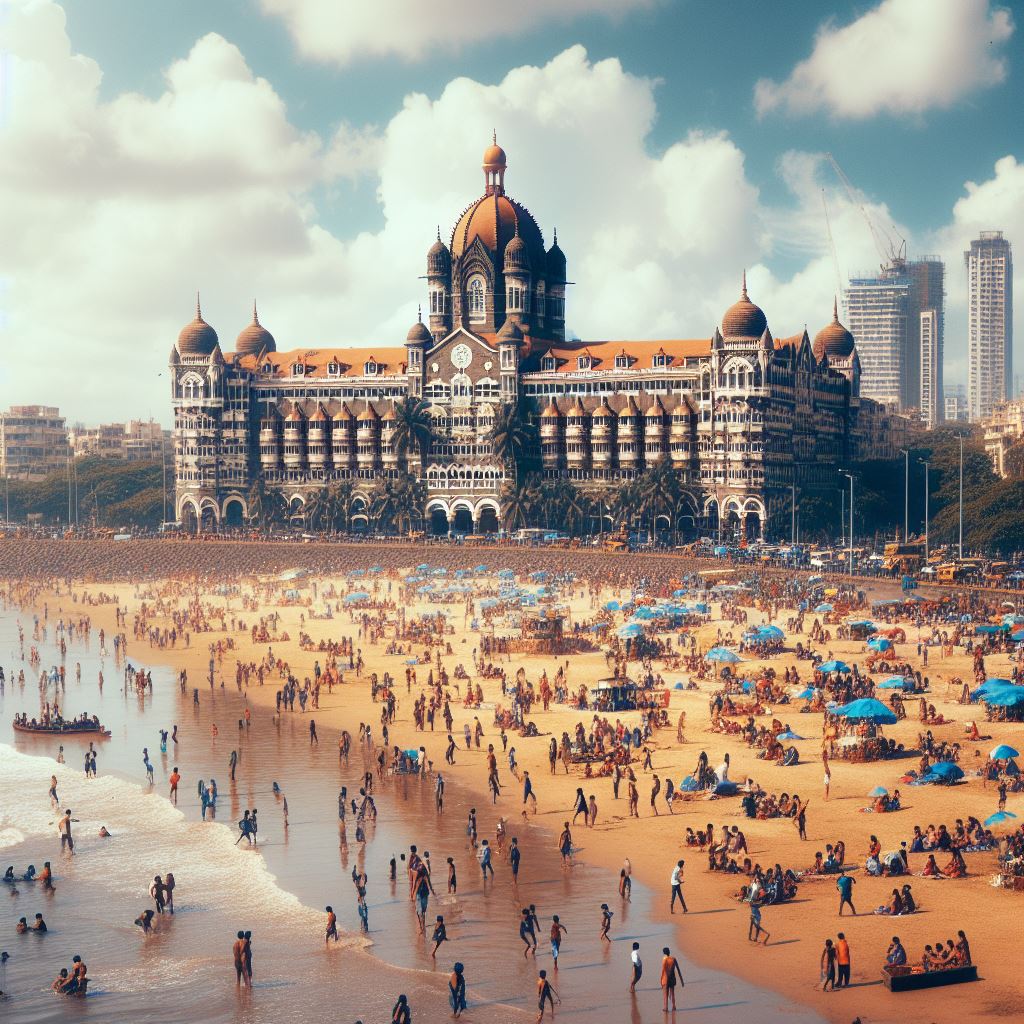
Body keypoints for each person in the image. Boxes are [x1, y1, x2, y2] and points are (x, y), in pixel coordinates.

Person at [660, 947, 684, 1012]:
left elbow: (663, 971)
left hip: (666, 978)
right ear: (669, 952)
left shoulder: (664, 960)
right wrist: (681, 980)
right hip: (672, 978)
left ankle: (666, 1007)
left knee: (665, 994)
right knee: (672, 993)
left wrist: (661, 980)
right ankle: (674, 1006)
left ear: (664, 953)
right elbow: (678, 969)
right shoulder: (673, 959)